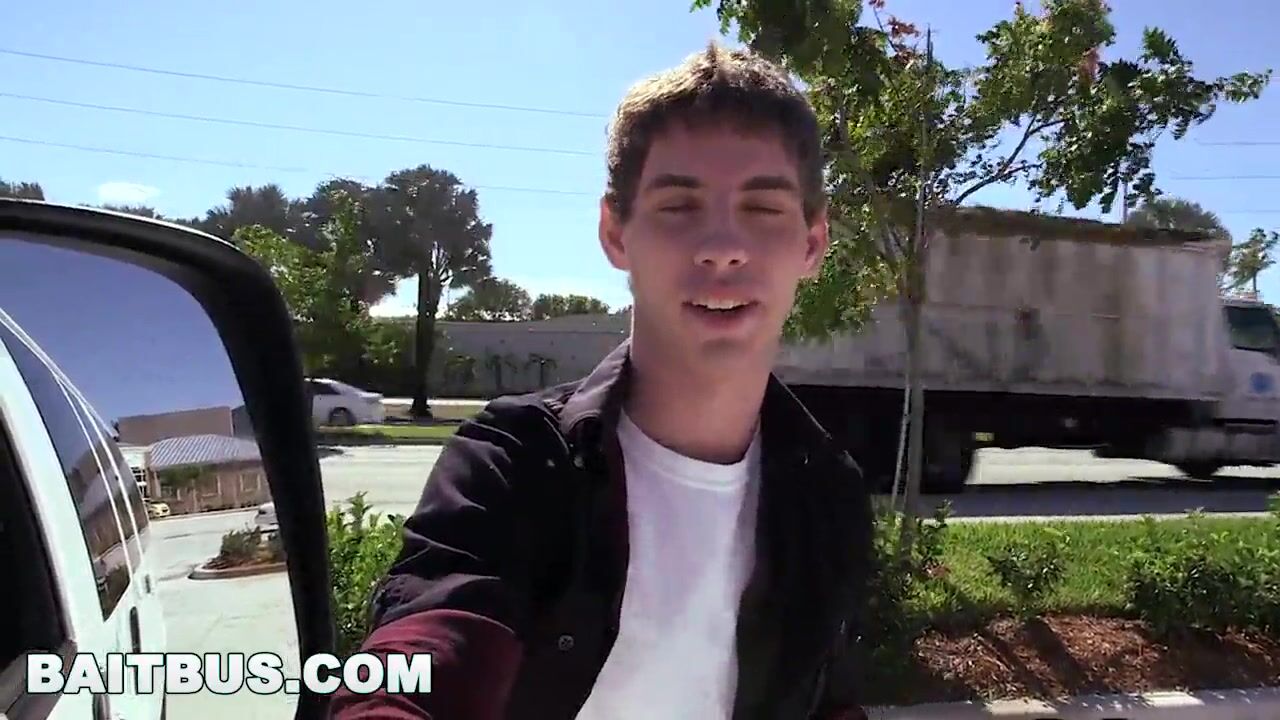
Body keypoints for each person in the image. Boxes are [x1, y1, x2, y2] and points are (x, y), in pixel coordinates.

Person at [328, 42, 874, 720]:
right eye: (679, 205)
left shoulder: (829, 494)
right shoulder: (513, 463)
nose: (722, 247)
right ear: (616, 233)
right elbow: (423, 654)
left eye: (763, 208)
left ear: (812, 244)